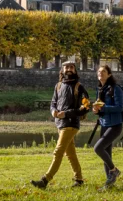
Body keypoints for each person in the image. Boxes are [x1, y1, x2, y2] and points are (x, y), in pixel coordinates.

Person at [31, 61, 89, 189]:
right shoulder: (58, 86)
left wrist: (66, 114)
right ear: (62, 70)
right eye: (66, 67)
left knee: (58, 152)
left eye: (71, 67)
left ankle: (45, 180)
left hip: (71, 124)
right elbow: (53, 102)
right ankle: (79, 180)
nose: (69, 69)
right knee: (70, 154)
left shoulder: (79, 87)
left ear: (75, 70)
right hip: (60, 124)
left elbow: (86, 107)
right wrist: (53, 111)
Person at [92, 65, 123, 188]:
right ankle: (109, 183)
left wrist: (103, 108)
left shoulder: (116, 89)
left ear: (109, 74)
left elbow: (119, 107)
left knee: (98, 148)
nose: (101, 73)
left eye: (104, 71)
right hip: (104, 124)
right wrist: (97, 111)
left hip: (115, 125)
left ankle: (114, 170)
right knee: (106, 154)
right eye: (99, 71)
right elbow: (101, 108)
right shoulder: (100, 90)